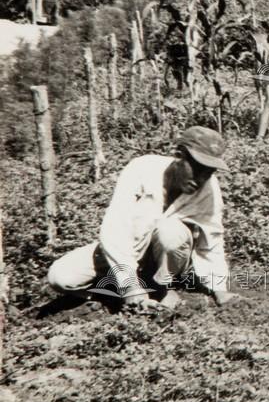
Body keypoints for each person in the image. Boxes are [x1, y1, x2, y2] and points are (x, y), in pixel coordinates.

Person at [47, 127, 238, 311]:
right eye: (197, 169)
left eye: (209, 172)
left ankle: (163, 288)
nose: (201, 179)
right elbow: (115, 229)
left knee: (170, 231)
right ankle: (122, 290)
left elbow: (211, 241)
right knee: (60, 277)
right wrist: (129, 286)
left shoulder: (208, 189)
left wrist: (220, 291)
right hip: (129, 249)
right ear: (179, 156)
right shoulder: (142, 168)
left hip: (168, 256)